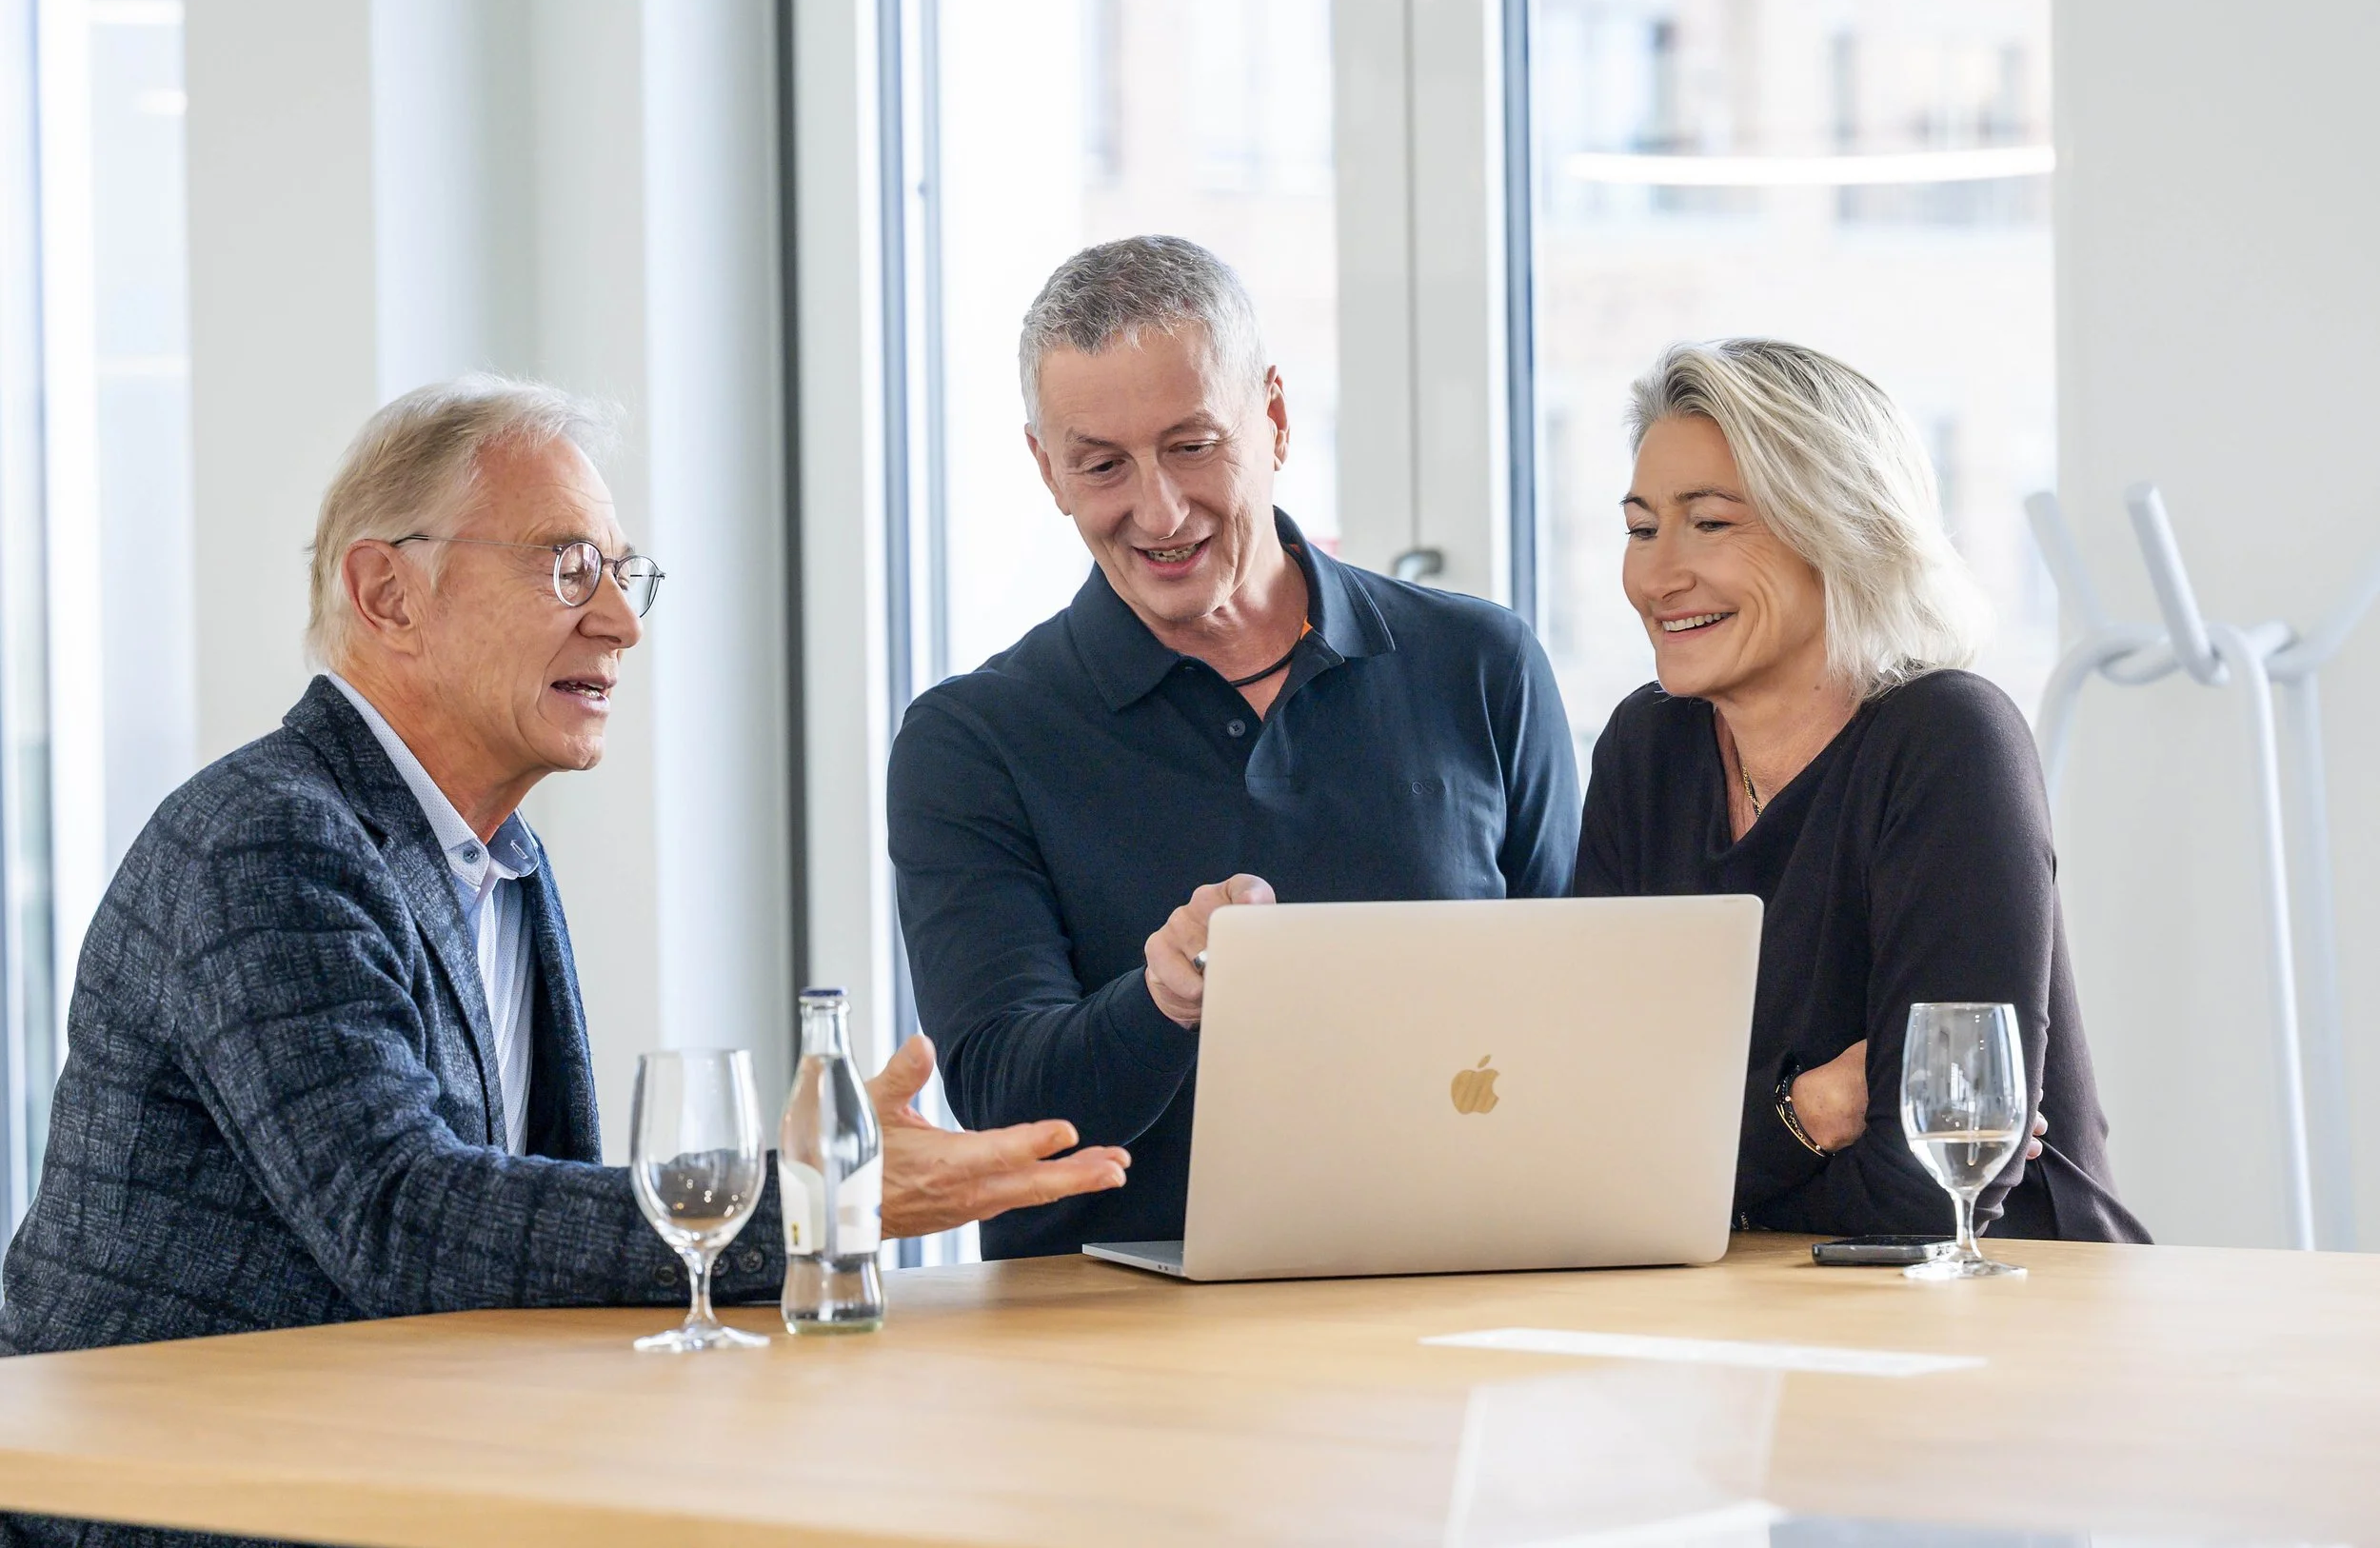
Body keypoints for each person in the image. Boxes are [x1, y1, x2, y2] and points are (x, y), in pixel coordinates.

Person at [0, 376, 1130, 1382]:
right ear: (388, 592)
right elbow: (402, 1218)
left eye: (625, 573)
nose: (623, 622)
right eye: (568, 566)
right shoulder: (264, 841)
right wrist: (804, 1202)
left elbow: (520, 1230)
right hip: (155, 1493)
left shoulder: (503, 859)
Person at [887, 236, 1579, 1260]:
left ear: (1277, 422)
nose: (1157, 510)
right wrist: (1160, 999)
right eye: (1102, 465)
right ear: (1047, 470)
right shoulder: (972, 739)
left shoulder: (1481, 664)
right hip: (1104, 1345)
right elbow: (1003, 1106)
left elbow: (1572, 1011)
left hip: (1448, 1288)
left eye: (1191, 444)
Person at [1574, 338, 2148, 1241]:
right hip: (1740, 1309)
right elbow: (1591, 1149)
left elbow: (1933, 1187)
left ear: (1841, 529)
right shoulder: (1645, 750)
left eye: (1711, 523)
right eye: (1642, 528)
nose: (1656, 575)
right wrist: (1813, 1110)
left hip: (2008, 1306)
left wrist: (1711, 1168)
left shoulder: (1951, 740)